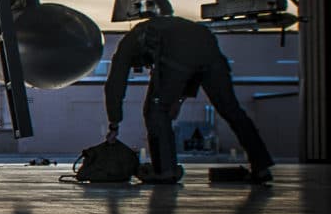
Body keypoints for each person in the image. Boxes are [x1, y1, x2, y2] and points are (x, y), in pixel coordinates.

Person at [104, 15, 274, 184]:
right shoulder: (166, 27)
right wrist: (178, 100)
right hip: (209, 48)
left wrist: (114, 122)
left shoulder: (127, 44)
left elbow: (115, 85)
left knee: (155, 111)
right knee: (231, 110)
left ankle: (165, 171)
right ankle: (261, 167)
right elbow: (192, 71)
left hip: (179, 52)